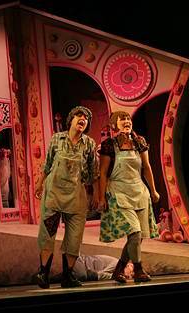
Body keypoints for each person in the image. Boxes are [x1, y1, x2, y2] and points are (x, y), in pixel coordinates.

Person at [34, 105, 98, 289]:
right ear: (71, 119)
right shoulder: (57, 139)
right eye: (79, 115)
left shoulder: (89, 144)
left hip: (77, 195)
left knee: (74, 236)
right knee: (48, 233)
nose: (83, 119)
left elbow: (93, 172)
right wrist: (39, 184)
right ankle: (43, 273)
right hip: (54, 194)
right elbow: (47, 165)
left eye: (86, 117)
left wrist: (97, 195)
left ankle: (67, 276)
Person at [98, 111, 160, 283]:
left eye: (128, 119)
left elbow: (146, 167)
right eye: (122, 119)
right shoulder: (109, 145)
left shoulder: (139, 142)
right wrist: (101, 198)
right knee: (134, 232)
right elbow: (102, 173)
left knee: (137, 238)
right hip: (119, 191)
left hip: (139, 191)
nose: (126, 121)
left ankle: (118, 269)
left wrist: (153, 191)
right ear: (114, 124)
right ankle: (138, 269)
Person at [50, 254, 134, 283]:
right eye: (131, 272)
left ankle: (50, 278)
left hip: (87, 269)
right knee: (82, 276)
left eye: (132, 276)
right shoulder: (116, 263)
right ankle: (50, 279)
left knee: (77, 276)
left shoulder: (119, 269)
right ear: (129, 265)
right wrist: (115, 276)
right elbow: (100, 274)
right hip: (81, 261)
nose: (130, 276)